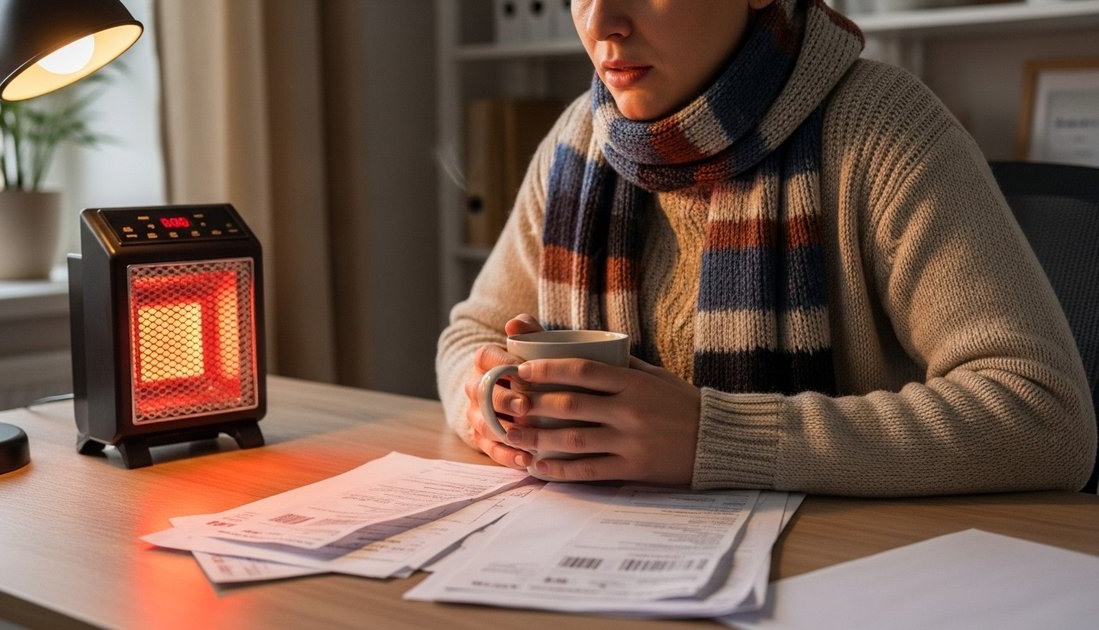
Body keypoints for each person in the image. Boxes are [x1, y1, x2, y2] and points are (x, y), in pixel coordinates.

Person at [435, 0, 1096, 496]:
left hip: (852, 578)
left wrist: (714, 438)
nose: (600, 22)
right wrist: (491, 404)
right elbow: (468, 336)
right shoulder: (578, 141)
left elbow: (1045, 416)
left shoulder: (881, 127)